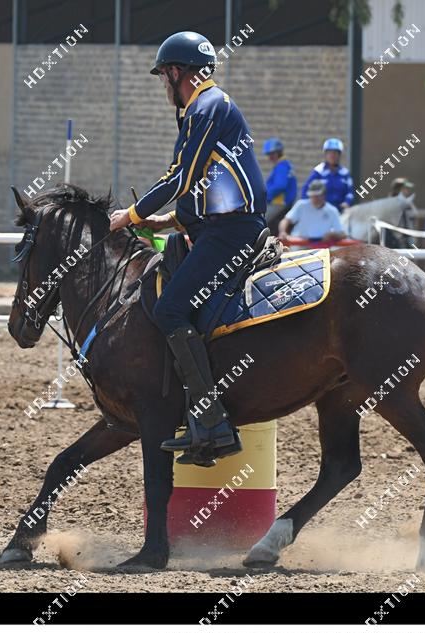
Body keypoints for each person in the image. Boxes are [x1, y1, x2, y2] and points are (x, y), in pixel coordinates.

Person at [108, 30, 266, 466]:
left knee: (170, 310)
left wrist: (131, 215)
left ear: (177, 73)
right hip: (221, 227)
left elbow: (181, 177)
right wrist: (168, 221)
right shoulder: (205, 108)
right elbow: (207, 188)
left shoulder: (206, 107)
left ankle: (212, 423)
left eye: (164, 76)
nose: (163, 85)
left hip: (230, 233)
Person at [278, 180, 345, 244]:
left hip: (320, 247)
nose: (314, 198)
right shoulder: (301, 205)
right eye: (312, 196)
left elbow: (342, 234)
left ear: (324, 195)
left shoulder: (332, 210)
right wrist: (282, 232)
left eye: (317, 196)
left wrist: (332, 235)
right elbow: (285, 220)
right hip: (299, 244)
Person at [300, 138, 354, 211]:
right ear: (325, 154)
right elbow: (305, 192)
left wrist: (347, 202)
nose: (332, 156)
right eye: (329, 153)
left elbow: (350, 193)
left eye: (335, 153)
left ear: (339, 155)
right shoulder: (319, 171)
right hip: (321, 210)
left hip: (340, 211)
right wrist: (312, 207)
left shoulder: (345, 173)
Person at [262, 137, 297, 235]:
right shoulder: (284, 165)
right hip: (280, 202)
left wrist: (264, 196)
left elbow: (280, 185)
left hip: (278, 203)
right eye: (269, 154)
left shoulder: (282, 166)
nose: (270, 157)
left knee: (259, 221)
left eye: (273, 154)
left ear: (279, 152)